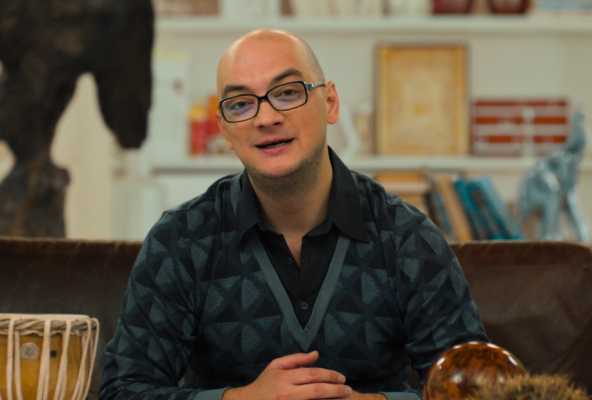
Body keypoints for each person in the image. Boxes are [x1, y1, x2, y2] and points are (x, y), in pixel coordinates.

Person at [100, 29, 488, 400]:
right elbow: (123, 390)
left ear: (330, 103)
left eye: (287, 93)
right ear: (225, 130)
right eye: (240, 104)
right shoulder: (181, 241)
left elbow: (476, 390)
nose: (265, 118)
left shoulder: (408, 238)